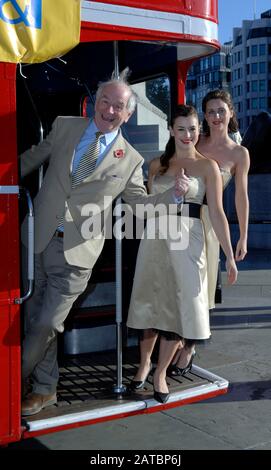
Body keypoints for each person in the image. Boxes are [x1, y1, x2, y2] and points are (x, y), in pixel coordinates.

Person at [20, 69, 189, 416]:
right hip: (34, 239)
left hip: (77, 255)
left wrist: (171, 196)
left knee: (49, 322)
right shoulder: (65, 127)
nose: (109, 110)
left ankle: (9, 381)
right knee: (33, 319)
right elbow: (28, 160)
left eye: (119, 106)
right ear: (93, 103)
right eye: (105, 101)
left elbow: (139, 205)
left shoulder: (131, 159)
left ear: (128, 114)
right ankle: (44, 389)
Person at [126, 105, 238, 403]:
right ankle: (143, 364)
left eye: (193, 129)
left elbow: (216, 212)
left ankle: (161, 372)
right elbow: (147, 206)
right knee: (151, 303)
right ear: (171, 131)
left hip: (190, 240)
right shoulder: (155, 166)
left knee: (180, 307)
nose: (188, 135)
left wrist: (227, 254)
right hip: (155, 238)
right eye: (182, 129)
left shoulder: (208, 166)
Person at [197, 89, 250, 310]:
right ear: (205, 116)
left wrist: (243, 237)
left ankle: (190, 342)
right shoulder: (194, 143)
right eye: (211, 112)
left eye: (221, 111)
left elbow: (241, 196)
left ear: (231, 113)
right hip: (178, 219)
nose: (216, 117)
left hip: (210, 224)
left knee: (201, 286)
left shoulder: (239, 153)